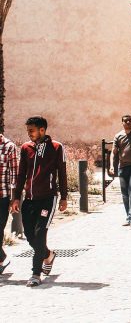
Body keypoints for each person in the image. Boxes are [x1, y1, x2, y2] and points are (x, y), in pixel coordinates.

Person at [10, 117, 67, 287]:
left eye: (31, 130)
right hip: (29, 199)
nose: (29, 133)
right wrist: (16, 197)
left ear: (42, 130)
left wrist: (64, 197)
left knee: (40, 233)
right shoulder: (26, 148)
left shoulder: (56, 147)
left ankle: (36, 274)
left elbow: (62, 174)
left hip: (48, 199)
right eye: (28, 130)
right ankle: (48, 255)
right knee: (29, 234)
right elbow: (21, 174)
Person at [0, 132, 17, 274]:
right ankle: (1, 256)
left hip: (2, 196)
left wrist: (14, 198)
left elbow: (14, 175)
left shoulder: (9, 146)